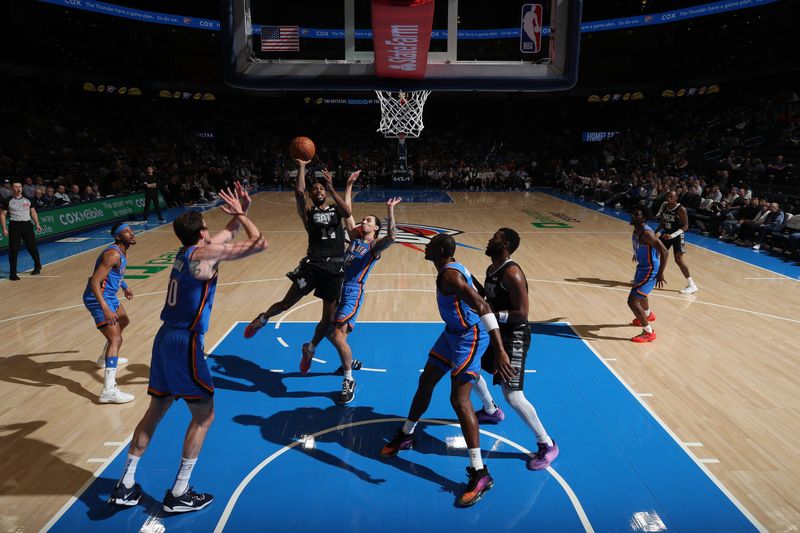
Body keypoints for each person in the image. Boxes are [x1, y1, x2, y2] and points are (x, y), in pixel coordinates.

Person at [108, 183, 267, 512]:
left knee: (156, 410)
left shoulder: (187, 252)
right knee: (205, 415)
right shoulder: (205, 255)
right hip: (185, 341)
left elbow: (229, 232)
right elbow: (259, 243)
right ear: (202, 233)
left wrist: (243, 210)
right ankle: (179, 492)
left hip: (164, 338)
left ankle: (125, 484)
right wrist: (239, 214)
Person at [378, 234, 517, 507]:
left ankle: (480, 473)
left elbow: (483, 305)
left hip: (470, 337)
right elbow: (481, 292)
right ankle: (407, 434)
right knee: (427, 379)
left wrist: (500, 349)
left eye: (429, 245)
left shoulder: (451, 277)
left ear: (440, 251)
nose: (425, 247)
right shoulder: (456, 268)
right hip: (452, 333)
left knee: (459, 400)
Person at [244, 160, 352, 376]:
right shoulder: (308, 213)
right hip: (313, 267)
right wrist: (302, 166)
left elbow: (348, 212)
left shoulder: (335, 211)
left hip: (334, 269)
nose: (318, 191)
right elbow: (299, 192)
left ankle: (310, 348)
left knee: (328, 319)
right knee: (286, 303)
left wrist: (332, 187)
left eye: (321, 188)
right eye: (315, 189)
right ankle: (263, 319)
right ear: (311, 194)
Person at [469, 228, 559, 470]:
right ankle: (490, 409)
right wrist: (470, 283)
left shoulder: (512, 273)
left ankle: (546, 443)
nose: (489, 238)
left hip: (515, 336)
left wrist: (491, 314)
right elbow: (488, 298)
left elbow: (522, 313)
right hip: (497, 332)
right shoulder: (491, 269)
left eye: (495, 236)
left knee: (513, 395)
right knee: (470, 366)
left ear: (506, 244)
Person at [329, 169, 400, 404]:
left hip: (352, 291)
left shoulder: (373, 247)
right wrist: (348, 185)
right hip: (339, 288)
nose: (363, 221)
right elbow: (347, 213)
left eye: (368, 220)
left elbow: (392, 237)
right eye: (364, 220)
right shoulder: (356, 238)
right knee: (333, 335)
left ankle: (348, 378)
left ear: (375, 229)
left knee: (338, 336)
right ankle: (350, 363)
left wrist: (390, 210)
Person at [82, 222, 137, 403]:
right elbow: (95, 281)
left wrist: (125, 287)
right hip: (98, 298)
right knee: (116, 338)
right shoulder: (112, 254)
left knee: (124, 320)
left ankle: (103, 359)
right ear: (117, 237)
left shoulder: (121, 252)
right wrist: (105, 307)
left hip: (110, 295)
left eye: (131, 230)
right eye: (127, 231)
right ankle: (108, 390)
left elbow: (115, 274)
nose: (132, 233)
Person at [628, 207, 669, 343]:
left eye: (636, 214)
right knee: (641, 294)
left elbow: (664, 251)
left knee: (632, 301)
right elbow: (643, 247)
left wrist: (660, 273)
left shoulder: (647, 233)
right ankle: (647, 315)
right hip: (642, 266)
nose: (633, 216)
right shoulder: (637, 229)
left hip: (650, 269)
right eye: (633, 213)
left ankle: (648, 332)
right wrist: (637, 253)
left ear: (644, 218)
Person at [655, 190, 697, 294]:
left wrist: (672, 235)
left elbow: (686, 226)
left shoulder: (681, 209)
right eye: (667, 196)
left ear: (676, 198)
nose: (669, 198)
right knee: (654, 250)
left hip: (678, 235)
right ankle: (651, 276)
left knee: (678, 260)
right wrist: (656, 231)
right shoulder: (665, 206)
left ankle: (692, 285)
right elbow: (664, 221)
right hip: (666, 233)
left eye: (671, 196)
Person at [1, 181, 43, 280]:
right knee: (13, 250)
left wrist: (37, 223)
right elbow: (2, 214)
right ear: (12, 189)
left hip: (27, 225)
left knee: (32, 247)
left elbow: (33, 211)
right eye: (15, 187)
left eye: (19, 186)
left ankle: (37, 266)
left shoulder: (28, 199)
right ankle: (13, 273)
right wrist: (4, 227)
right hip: (14, 226)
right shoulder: (8, 200)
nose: (18, 188)